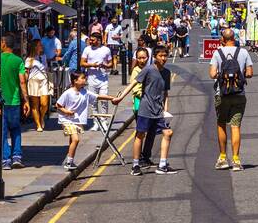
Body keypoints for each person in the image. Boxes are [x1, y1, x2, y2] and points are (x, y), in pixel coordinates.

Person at [55, 70, 121, 170]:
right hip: (67, 119)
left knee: (72, 140)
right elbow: (58, 105)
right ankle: (69, 162)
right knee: (76, 139)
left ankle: (70, 160)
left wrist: (112, 98)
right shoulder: (68, 93)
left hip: (77, 120)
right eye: (82, 78)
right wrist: (67, 111)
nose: (85, 79)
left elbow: (98, 96)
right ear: (75, 81)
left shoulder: (85, 92)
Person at [209, 27, 253, 171]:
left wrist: (223, 75)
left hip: (221, 94)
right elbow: (250, 73)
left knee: (221, 124)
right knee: (236, 126)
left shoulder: (217, 53)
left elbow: (212, 74)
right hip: (239, 93)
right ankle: (236, 160)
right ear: (233, 38)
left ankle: (222, 158)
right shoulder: (244, 52)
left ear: (223, 39)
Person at [0, 33, 28, 169]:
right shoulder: (18, 60)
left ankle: (6, 160)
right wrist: (26, 100)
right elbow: (22, 81)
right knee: (15, 129)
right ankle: (17, 157)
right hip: (14, 102)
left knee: (1, 131)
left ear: (3, 44)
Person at [131, 45, 175, 175]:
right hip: (145, 109)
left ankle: (162, 165)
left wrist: (166, 110)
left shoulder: (166, 73)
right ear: (155, 57)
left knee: (168, 133)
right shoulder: (148, 70)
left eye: (165, 55)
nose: (164, 58)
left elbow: (165, 93)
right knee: (140, 135)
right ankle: (135, 165)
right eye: (161, 56)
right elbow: (133, 83)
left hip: (158, 110)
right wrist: (120, 97)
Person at [24, 38, 50, 133]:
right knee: (35, 104)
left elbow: (46, 68)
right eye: (39, 45)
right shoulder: (29, 59)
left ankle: (41, 117)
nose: (41, 46)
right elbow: (26, 72)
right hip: (33, 81)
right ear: (35, 47)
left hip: (43, 80)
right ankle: (38, 124)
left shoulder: (43, 57)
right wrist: (24, 85)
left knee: (44, 104)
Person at [80, 29, 114, 102]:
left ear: (99, 40)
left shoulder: (106, 49)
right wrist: (92, 65)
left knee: (104, 100)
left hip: (103, 79)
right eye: (90, 40)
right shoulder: (87, 49)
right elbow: (82, 63)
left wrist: (105, 65)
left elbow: (111, 64)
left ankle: (104, 114)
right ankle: (94, 114)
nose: (90, 41)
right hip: (91, 79)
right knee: (93, 102)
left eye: (93, 40)